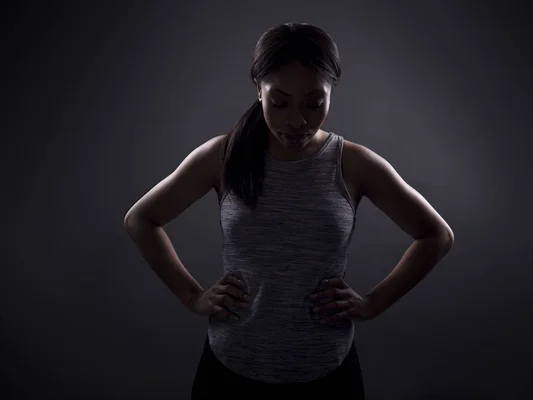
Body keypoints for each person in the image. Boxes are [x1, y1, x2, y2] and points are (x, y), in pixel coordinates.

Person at [124, 22, 454, 399]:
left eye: (314, 104)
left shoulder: (352, 164)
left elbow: (436, 235)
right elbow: (141, 220)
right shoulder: (223, 156)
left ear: (331, 91)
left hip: (327, 373)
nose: (297, 121)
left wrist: (373, 303)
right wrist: (192, 296)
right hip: (231, 369)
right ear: (258, 89)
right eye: (279, 102)